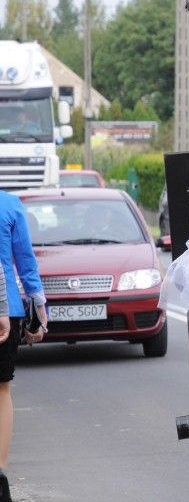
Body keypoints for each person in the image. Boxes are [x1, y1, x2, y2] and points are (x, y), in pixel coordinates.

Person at [0, 190, 47, 502]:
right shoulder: (10, 205)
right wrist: (40, 306)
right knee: (2, 390)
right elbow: (24, 258)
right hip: (8, 310)